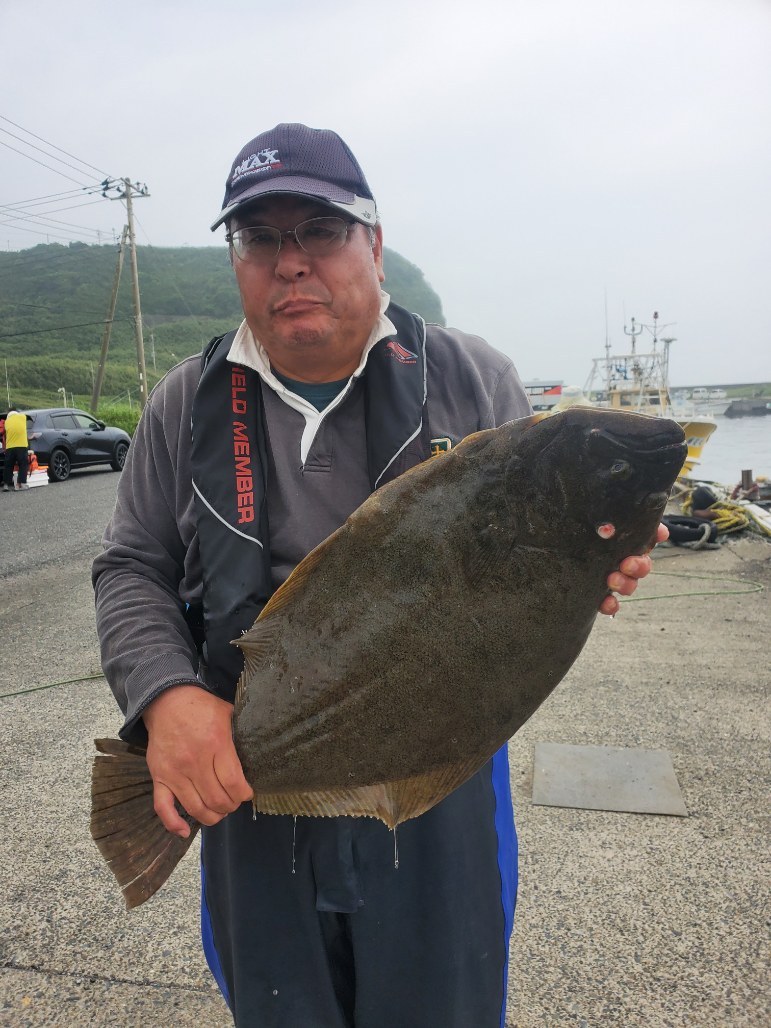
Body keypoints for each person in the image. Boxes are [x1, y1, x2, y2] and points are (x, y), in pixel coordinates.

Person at [92, 123, 663, 1028]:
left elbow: (530, 573)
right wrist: (165, 696)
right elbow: (132, 565)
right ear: (237, 260)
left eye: (320, 230)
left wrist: (590, 563)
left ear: (374, 243)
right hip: (246, 763)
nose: (290, 262)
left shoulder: (472, 378)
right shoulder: (182, 404)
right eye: (258, 238)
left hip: (435, 775)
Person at [2, 409, 30, 491]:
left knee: (8, 466)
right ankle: (20, 485)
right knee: (23, 465)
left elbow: (4, 433)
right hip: (22, 446)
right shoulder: (23, 417)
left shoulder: (6, 422)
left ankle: (6, 485)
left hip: (10, 447)